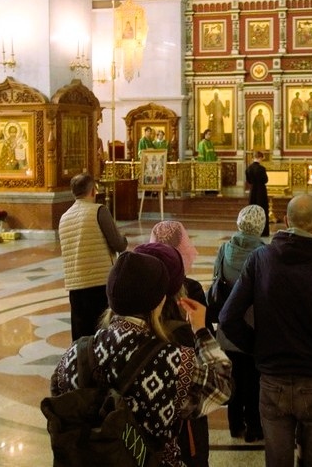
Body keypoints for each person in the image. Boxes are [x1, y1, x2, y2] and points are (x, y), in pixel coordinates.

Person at [50, 250, 232, 467]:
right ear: (159, 301)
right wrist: (201, 331)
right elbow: (221, 387)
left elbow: (62, 407)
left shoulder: (73, 355)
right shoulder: (172, 362)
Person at [219, 194, 312, 467]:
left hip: (273, 378)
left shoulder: (261, 259)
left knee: (277, 460)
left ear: (285, 220)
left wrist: (259, 350)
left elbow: (227, 317)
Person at [133, 242, 212, 466]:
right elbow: (218, 388)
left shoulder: (108, 338)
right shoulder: (184, 336)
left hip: (129, 444)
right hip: (181, 445)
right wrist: (202, 331)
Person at [211, 205, 267, 442]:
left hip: (228, 327)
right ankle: (254, 427)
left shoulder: (224, 249)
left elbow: (215, 282)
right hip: (253, 327)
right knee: (253, 380)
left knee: (232, 378)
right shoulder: (264, 253)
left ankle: (235, 425)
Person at [58, 173, 127, 340]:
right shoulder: (99, 211)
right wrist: (124, 239)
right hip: (99, 283)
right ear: (93, 191)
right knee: (102, 335)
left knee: (81, 338)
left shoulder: (64, 217)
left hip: (75, 285)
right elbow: (118, 244)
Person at [244, 151, 270, 237]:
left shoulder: (248, 168)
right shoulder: (261, 169)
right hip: (261, 191)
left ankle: (253, 231)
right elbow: (265, 180)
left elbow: (248, 181)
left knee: (253, 210)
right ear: (260, 157)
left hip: (252, 191)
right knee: (262, 210)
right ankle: (263, 232)